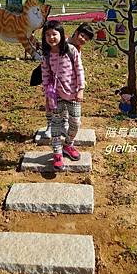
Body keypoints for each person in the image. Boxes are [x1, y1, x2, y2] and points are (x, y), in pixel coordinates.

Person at [41, 20, 85, 171]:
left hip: (73, 95)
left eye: (54, 34)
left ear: (61, 34)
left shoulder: (71, 50)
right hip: (56, 96)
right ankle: (57, 153)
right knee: (56, 124)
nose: (51, 37)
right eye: (47, 35)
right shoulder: (46, 55)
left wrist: (81, 89)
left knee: (76, 122)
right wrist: (47, 95)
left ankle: (68, 144)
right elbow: (46, 76)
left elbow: (79, 71)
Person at [43, 22, 94, 138]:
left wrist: (80, 84)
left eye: (86, 39)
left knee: (66, 103)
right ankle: (50, 124)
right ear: (76, 32)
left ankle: (64, 124)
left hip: (68, 82)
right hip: (54, 81)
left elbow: (78, 66)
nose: (83, 40)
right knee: (50, 103)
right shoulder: (61, 42)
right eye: (82, 36)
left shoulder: (76, 48)